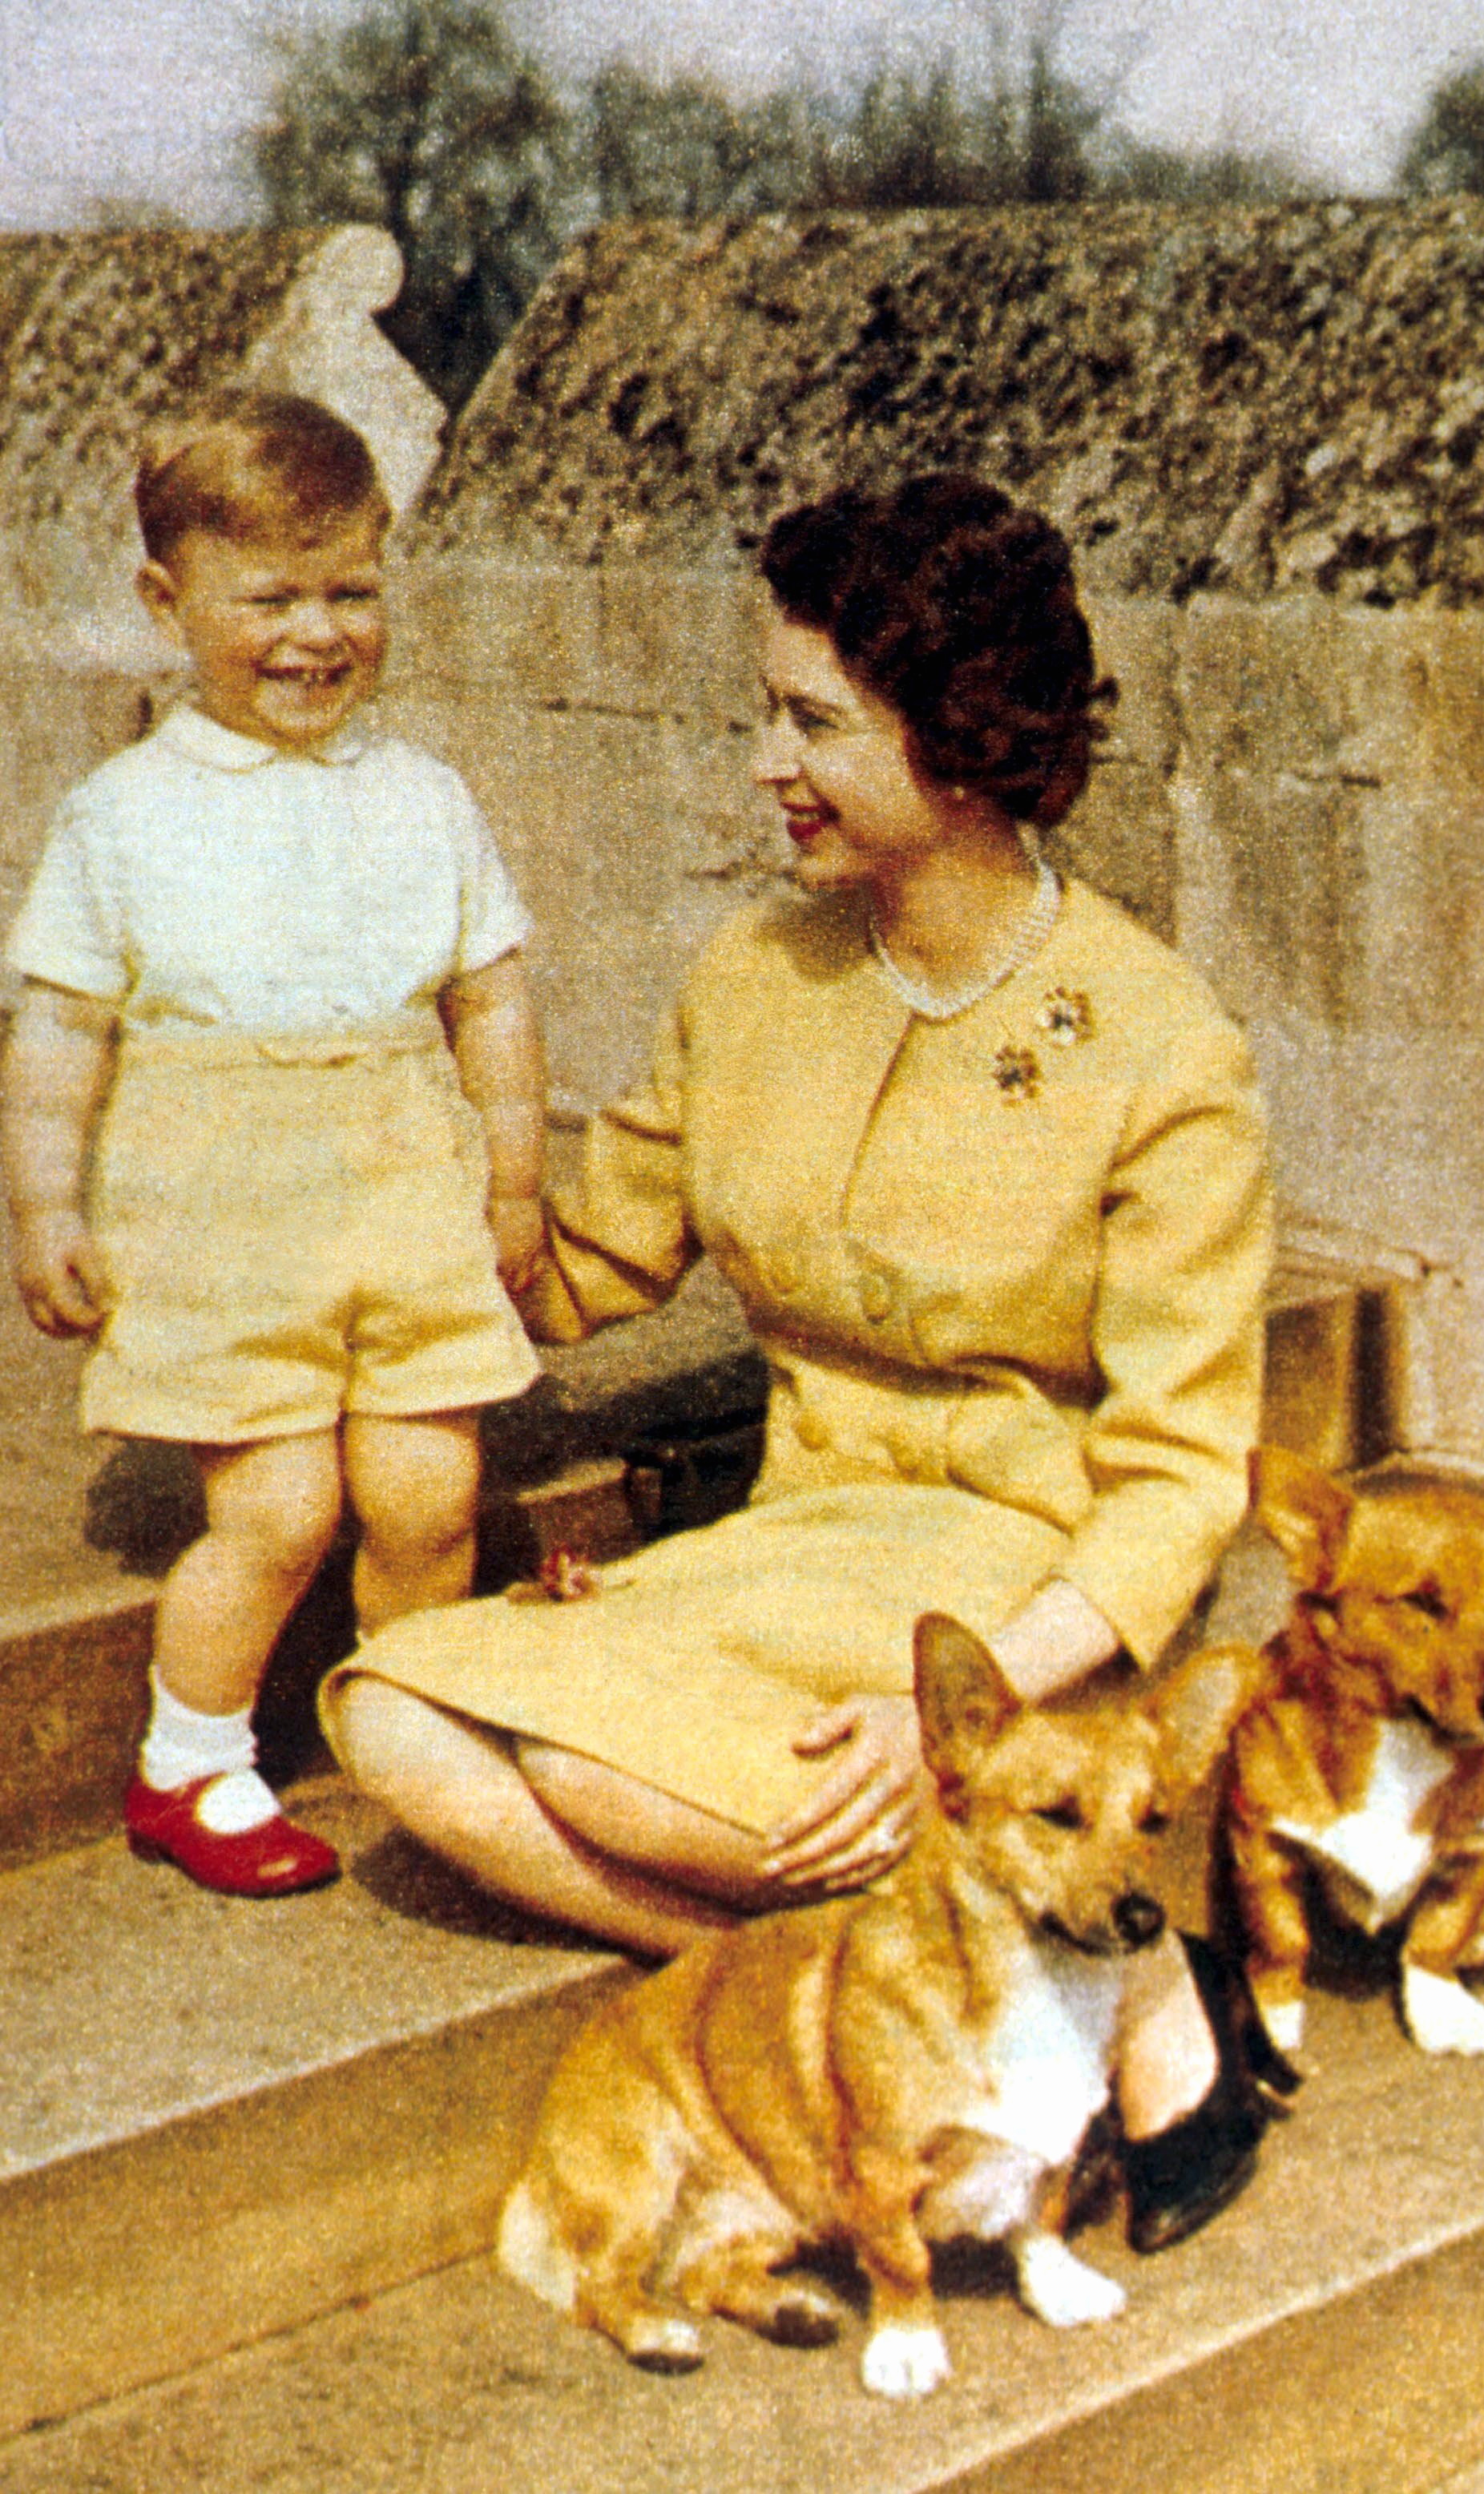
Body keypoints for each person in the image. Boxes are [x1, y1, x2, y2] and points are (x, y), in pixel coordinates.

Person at [325, 471, 1275, 2246]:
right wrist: (360, 1197)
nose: (767, 760)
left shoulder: (1159, 1044)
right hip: (792, 1533)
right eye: (768, 712)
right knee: (394, 1711)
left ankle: (1106, 1994)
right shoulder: (754, 970)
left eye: (814, 721)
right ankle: (984, 1999)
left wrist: (988, 1685)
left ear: (965, 736)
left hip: (1005, 1575)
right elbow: (592, 1256)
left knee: (595, 1777)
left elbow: (1177, 1473)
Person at [0, 390, 545, 1898]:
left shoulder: (424, 798)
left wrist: (513, 1181)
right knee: (283, 1503)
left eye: (351, 593)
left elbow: (490, 1001)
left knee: (433, 1492)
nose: (318, 634)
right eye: (271, 599)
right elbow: (59, 1038)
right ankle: (193, 1764)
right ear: (168, 604)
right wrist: (44, 1204)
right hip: (220, 1207)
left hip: (403, 1196)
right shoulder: (123, 816)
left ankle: (418, 1726)